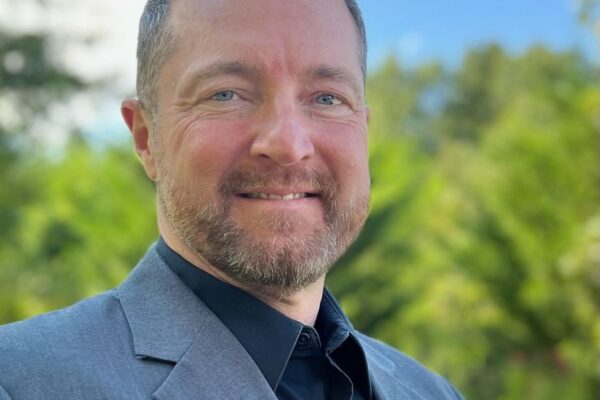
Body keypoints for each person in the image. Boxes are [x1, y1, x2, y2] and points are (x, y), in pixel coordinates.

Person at [0, 0, 463, 399]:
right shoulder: (18, 380)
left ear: (364, 128)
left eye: (327, 98)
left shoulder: (433, 392)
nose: (287, 144)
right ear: (146, 138)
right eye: (226, 94)